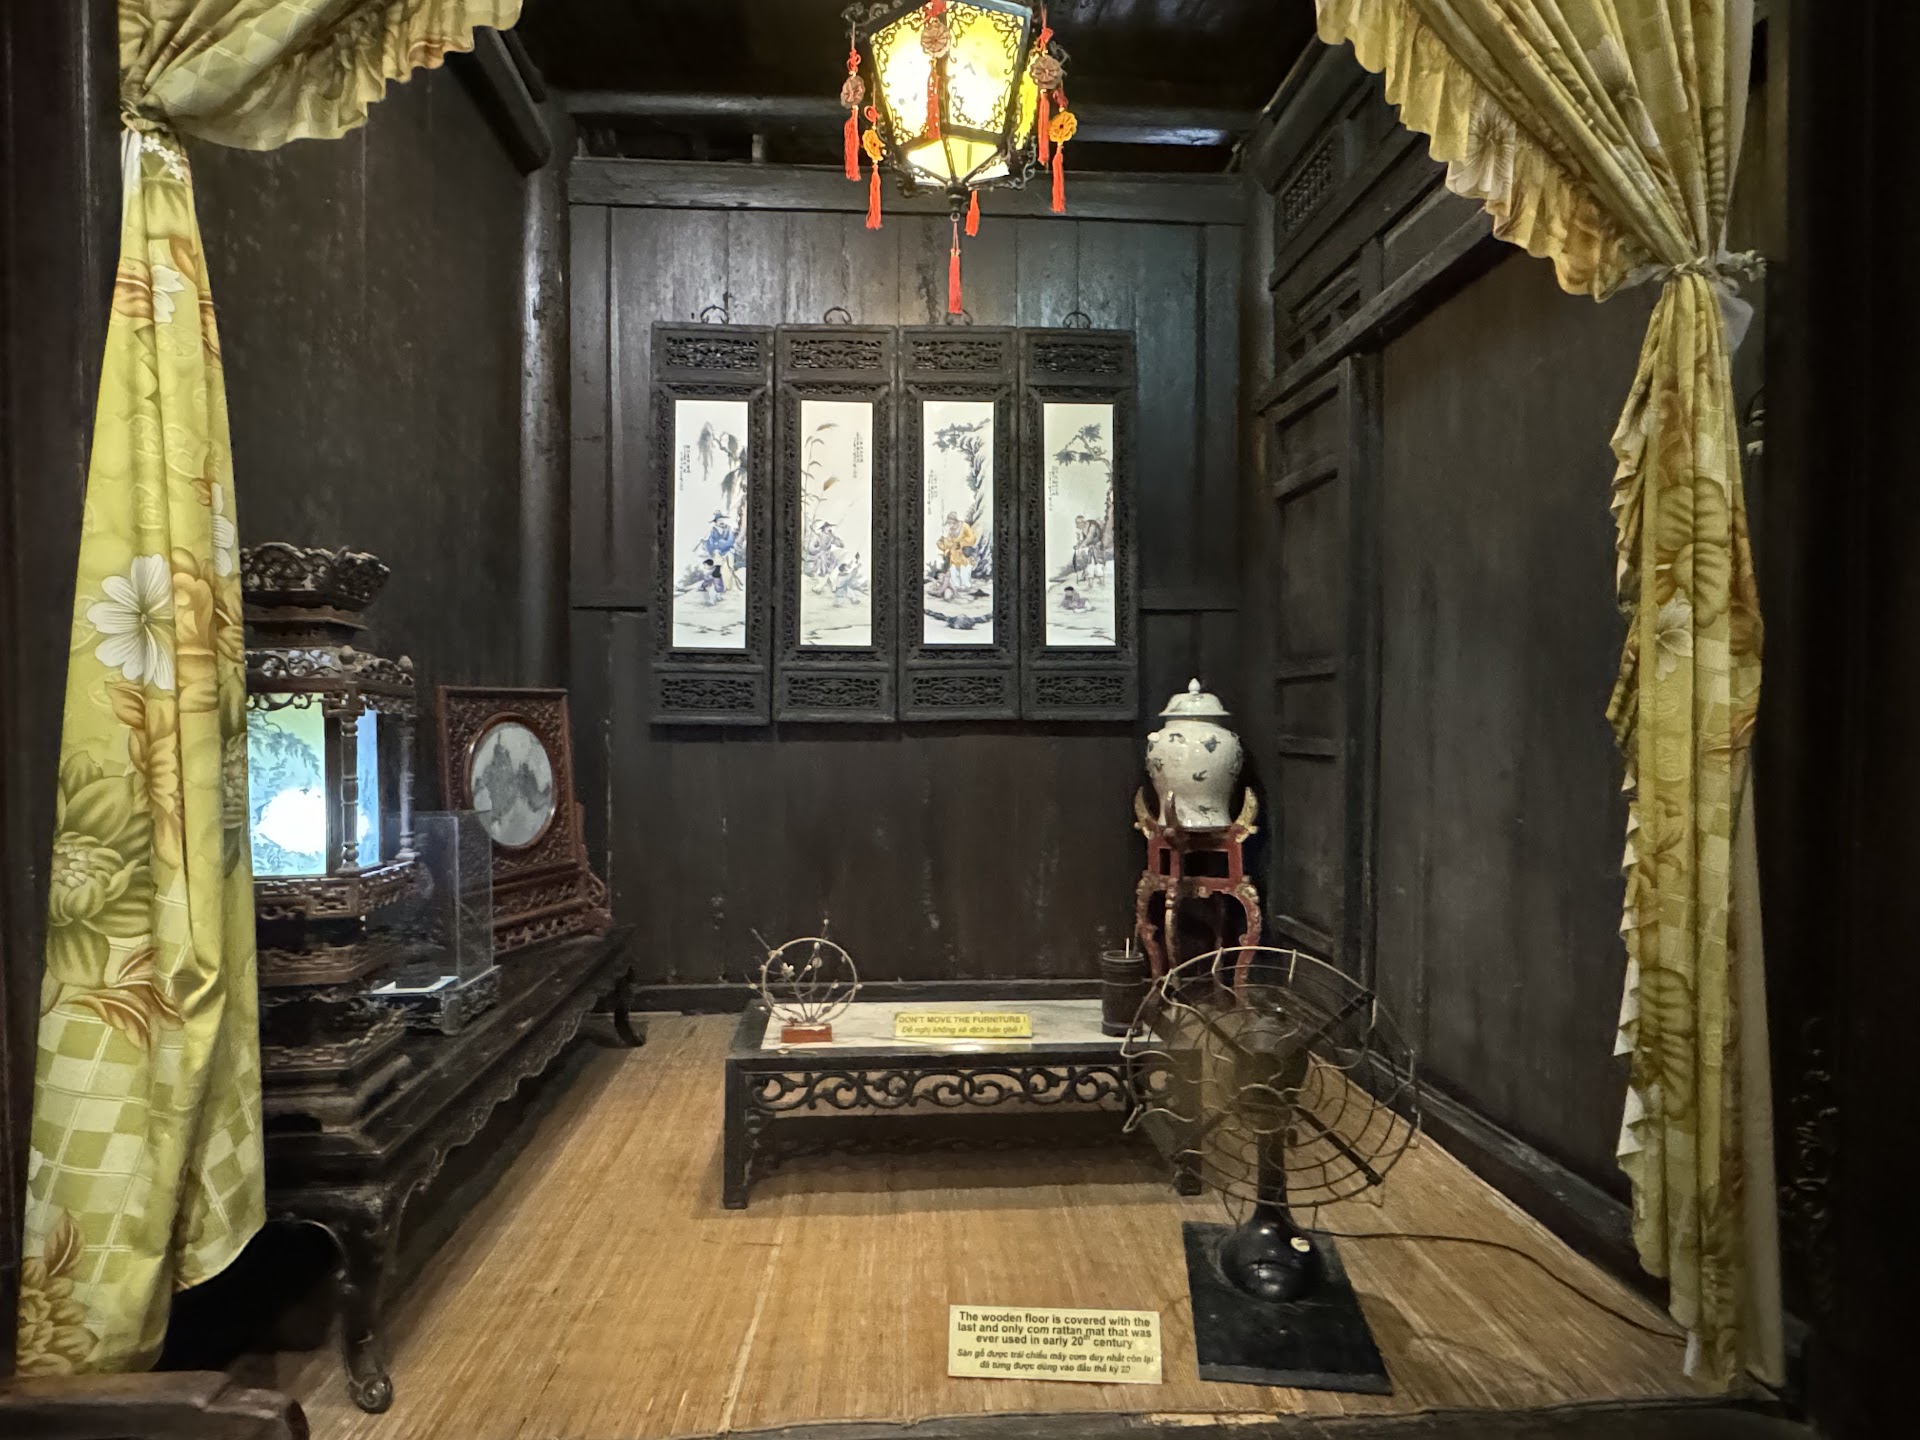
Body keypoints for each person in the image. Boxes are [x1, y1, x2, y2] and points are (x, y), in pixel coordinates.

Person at [937, 511, 977, 594]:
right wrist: (942, 541)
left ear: (955, 521)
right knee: (953, 571)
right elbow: (947, 545)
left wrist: (961, 543)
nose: (950, 525)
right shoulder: (950, 531)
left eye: (950, 522)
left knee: (964, 571)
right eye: (948, 523)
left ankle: (966, 586)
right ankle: (956, 586)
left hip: (964, 555)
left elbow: (972, 539)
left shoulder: (964, 526)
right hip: (954, 556)